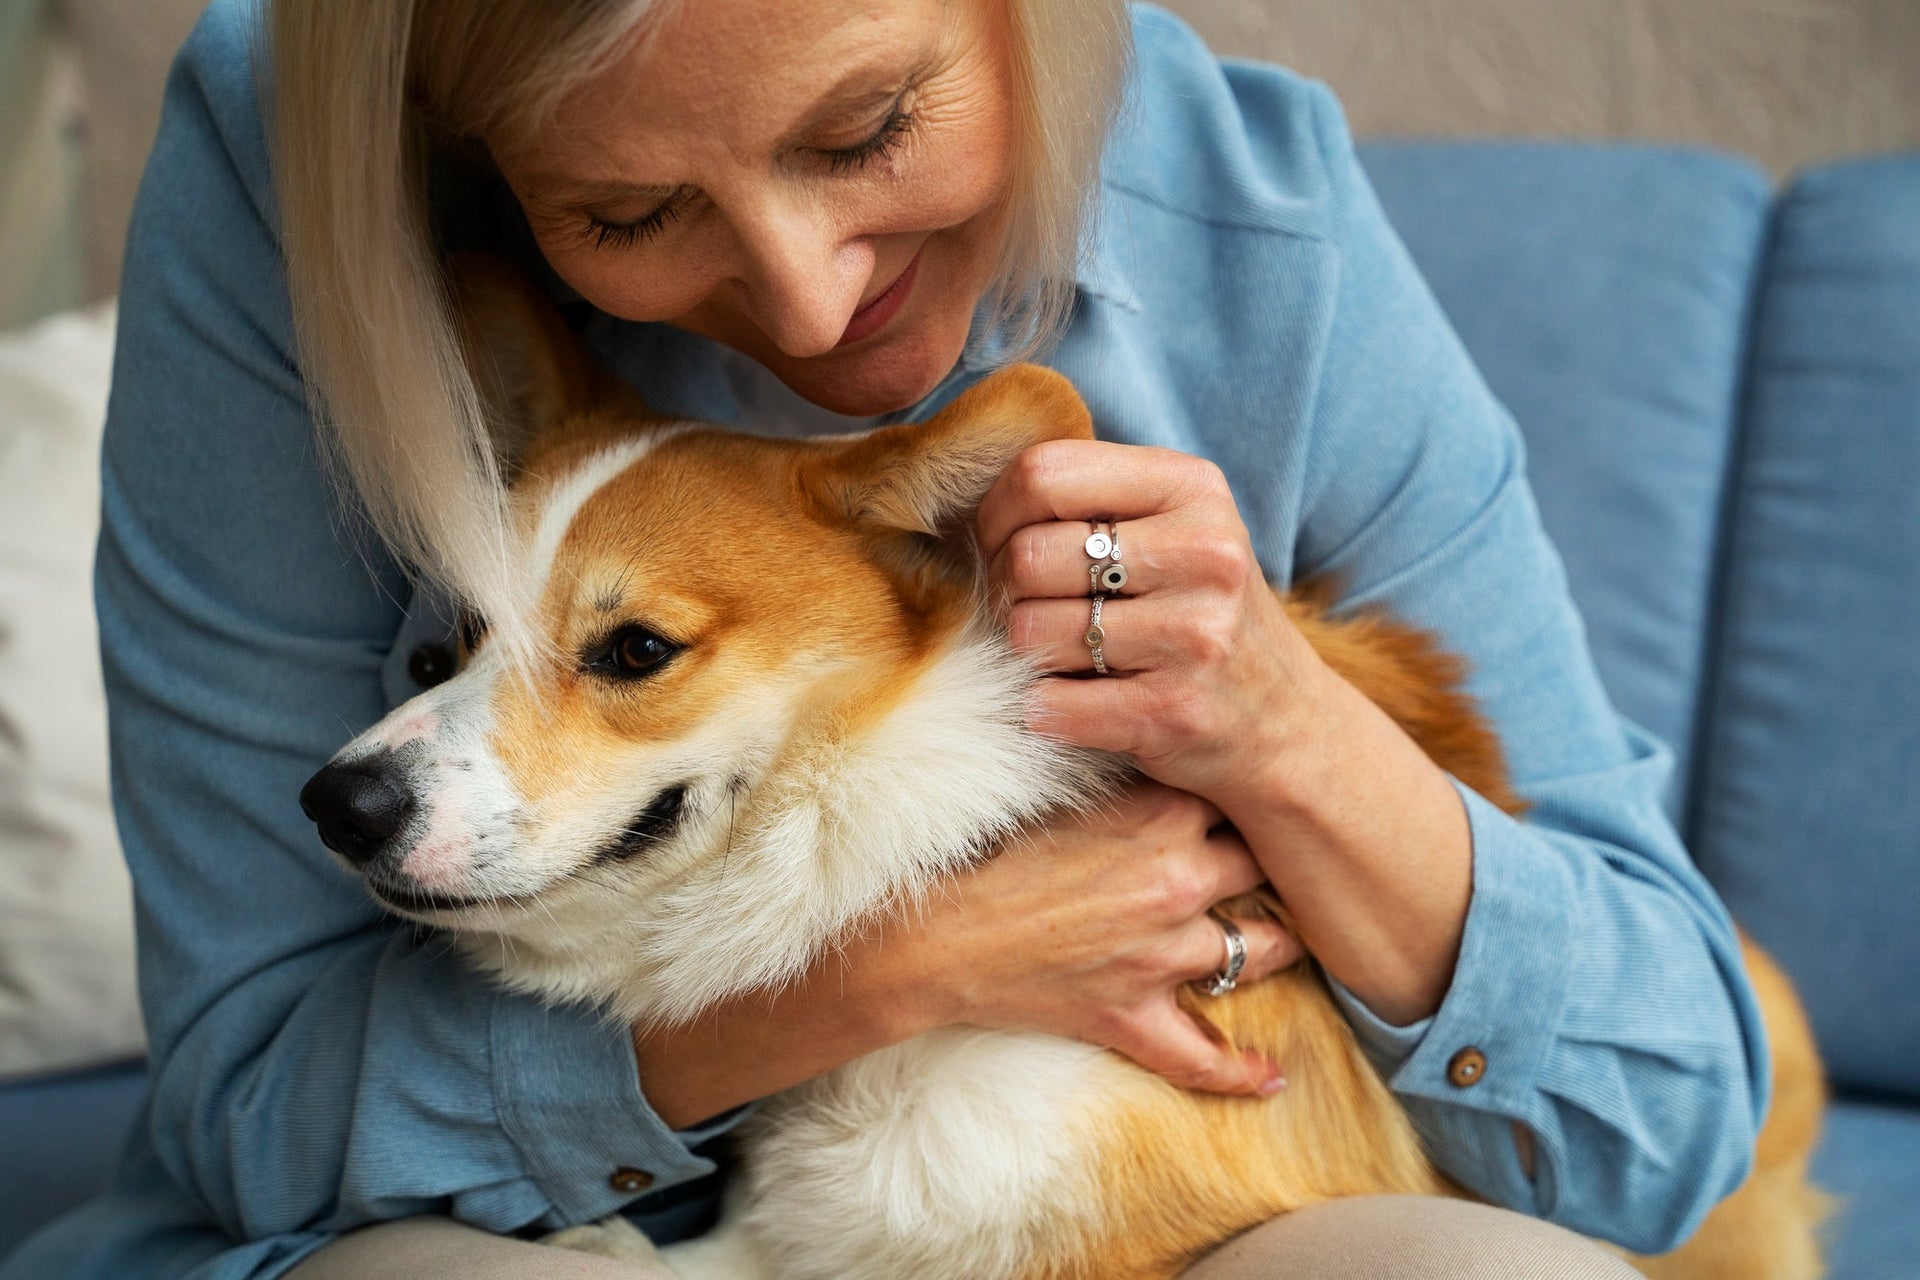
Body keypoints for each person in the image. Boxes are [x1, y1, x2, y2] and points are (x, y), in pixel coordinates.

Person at [0, 0, 1764, 1276]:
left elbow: (1674, 1111)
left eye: (864, 132)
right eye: (627, 212)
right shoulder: (291, 170)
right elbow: (253, 1107)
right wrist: (900, 969)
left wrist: (1285, 725)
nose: (811, 295)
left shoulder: (1260, 229)